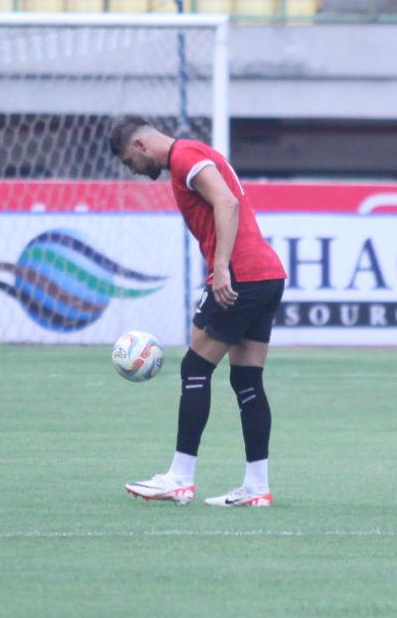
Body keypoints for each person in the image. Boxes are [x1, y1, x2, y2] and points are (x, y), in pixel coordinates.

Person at [109, 115, 287, 508]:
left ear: (140, 146)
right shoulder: (192, 154)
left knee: (194, 369)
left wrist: (221, 267)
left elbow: (226, 201)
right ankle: (256, 488)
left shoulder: (186, 157)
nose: (133, 171)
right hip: (265, 274)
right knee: (246, 380)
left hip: (241, 274)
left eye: (128, 162)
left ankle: (179, 479)